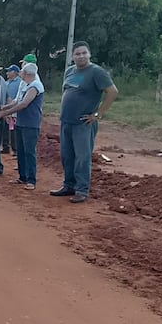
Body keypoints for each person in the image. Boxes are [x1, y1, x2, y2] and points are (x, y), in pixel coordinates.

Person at [51, 41, 119, 203]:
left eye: (84, 53)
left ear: (89, 54)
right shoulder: (69, 72)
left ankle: (82, 190)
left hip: (83, 123)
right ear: (72, 56)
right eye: (77, 54)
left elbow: (112, 92)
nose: (81, 56)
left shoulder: (96, 72)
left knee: (82, 157)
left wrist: (98, 114)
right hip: (66, 121)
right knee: (67, 156)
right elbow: (66, 92)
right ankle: (69, 185)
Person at [0, 63, 44, 190]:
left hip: (31, 123)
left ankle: (31, 180)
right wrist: (4, 107)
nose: (20, 73)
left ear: (26, 73)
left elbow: (23, 104)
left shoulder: (35, 86)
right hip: (22, 122)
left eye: (22, 71)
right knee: (21, 151)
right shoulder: (27, 85)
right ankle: (23, 177)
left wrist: (4, 112)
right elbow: (17, 101)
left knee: (29, 152)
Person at [3, 64, 22, 155]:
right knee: (6, 128)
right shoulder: (6, 83)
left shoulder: (20, 82)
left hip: (15, 109)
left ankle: (15, 149)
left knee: (13, 129)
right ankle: (6, 146)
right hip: (6, 108)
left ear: (14, 72)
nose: (7, 73)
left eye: (9, 71)